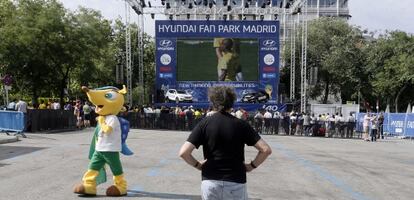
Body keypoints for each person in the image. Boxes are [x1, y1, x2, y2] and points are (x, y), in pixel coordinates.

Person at [179, 86, 272, 200]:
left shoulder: (205, 124)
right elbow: (265, 150)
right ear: (232, 102)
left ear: (213, 102)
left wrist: (198, 165)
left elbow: (184, 152)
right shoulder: (241, 125)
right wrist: (251, 166)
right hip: (236, 182)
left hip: (210, 181)